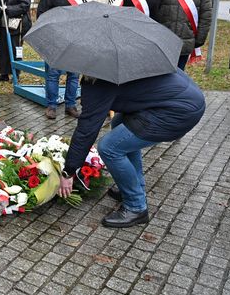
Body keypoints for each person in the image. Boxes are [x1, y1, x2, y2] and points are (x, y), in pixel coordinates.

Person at [58, 70, 205, 228]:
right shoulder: (123, 62)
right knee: (119, 124)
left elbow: (87, 129)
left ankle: (136, 207)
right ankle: (133, 187)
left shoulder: (99, 80)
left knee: (109, 147)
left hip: (178, 111)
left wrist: (69, 171)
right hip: (186, 97)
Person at [37, 0, 85, 119]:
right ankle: (51, 105)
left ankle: (70, 105)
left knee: (73, 75)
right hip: (55, 40)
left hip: (77, 39)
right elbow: (41, 14)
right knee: (53, 74)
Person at [156, 0, 212, 70]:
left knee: (179, 75)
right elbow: (155, 13)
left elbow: (206, 16)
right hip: (164, 41)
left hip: (185, 41)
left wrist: (199, 40)